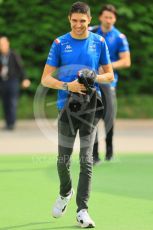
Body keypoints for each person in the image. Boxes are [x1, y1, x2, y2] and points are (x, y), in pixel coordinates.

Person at [41, 1, 114, 228]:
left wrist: (93, 76)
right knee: (63, 161)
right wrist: (67, 86)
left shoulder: (99, 42)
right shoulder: (59, 43)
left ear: (90, 20)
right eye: (74, 20)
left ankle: (82, 210)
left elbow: (109, 75)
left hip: (91, 109)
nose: (79, 25)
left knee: (86, 160)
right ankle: (65, 192)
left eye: (83, 21)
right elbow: (45, 79)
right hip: (66, 108)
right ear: (69, 19)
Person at [89, 4, 131, 164]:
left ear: (115, 19)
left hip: (109, 83)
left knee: (108, 118)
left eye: (111, 17)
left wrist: (107, 67)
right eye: (106, 17)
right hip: (91, 84)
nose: (108, 20)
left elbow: (126, 61)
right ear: (100, 17)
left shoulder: (119, 37)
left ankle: (109, 152)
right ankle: (93, 155)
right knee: (91, 117)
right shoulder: (91, 32)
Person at [0, 36, 30, 130]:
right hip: (2, 81)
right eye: (0, 44)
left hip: (13, 81)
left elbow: (21, 68)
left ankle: (12, 123)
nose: (2, 46)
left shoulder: (13, 54)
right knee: (5, 102)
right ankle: (8, 122)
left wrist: (25, 79)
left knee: (12, 101)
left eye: (4, 44)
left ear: (8, 44)